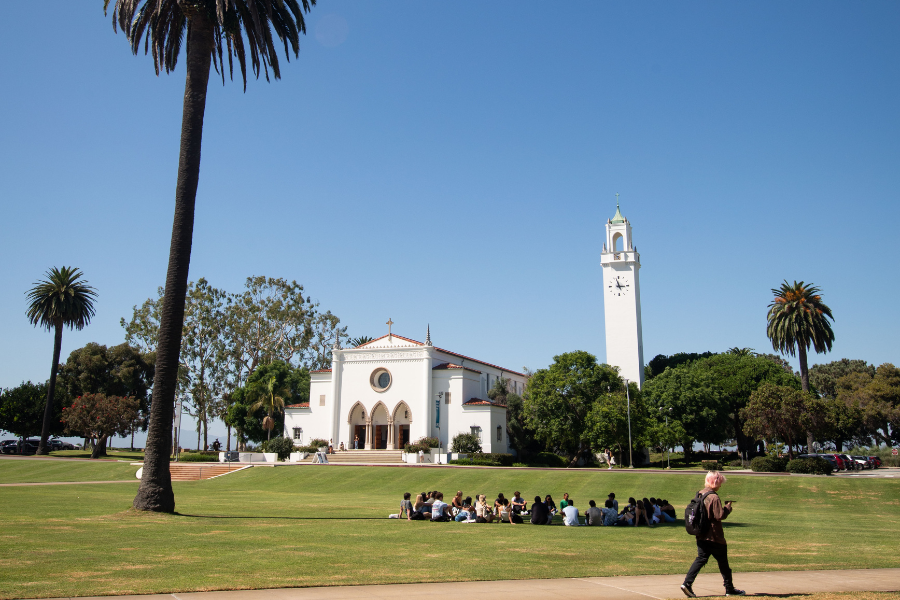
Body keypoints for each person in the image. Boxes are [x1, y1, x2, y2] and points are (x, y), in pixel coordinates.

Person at [681, 471, 745, 598]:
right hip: (714, 536)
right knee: (723, 564)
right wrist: (728, 507)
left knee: (700, 559)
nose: (720, 486)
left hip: (700, 534)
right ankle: (729, 588)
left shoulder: (700, 493)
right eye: (720, 483)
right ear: (716, 482)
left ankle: (687, 583)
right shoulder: (714, 497)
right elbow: (719, 515)